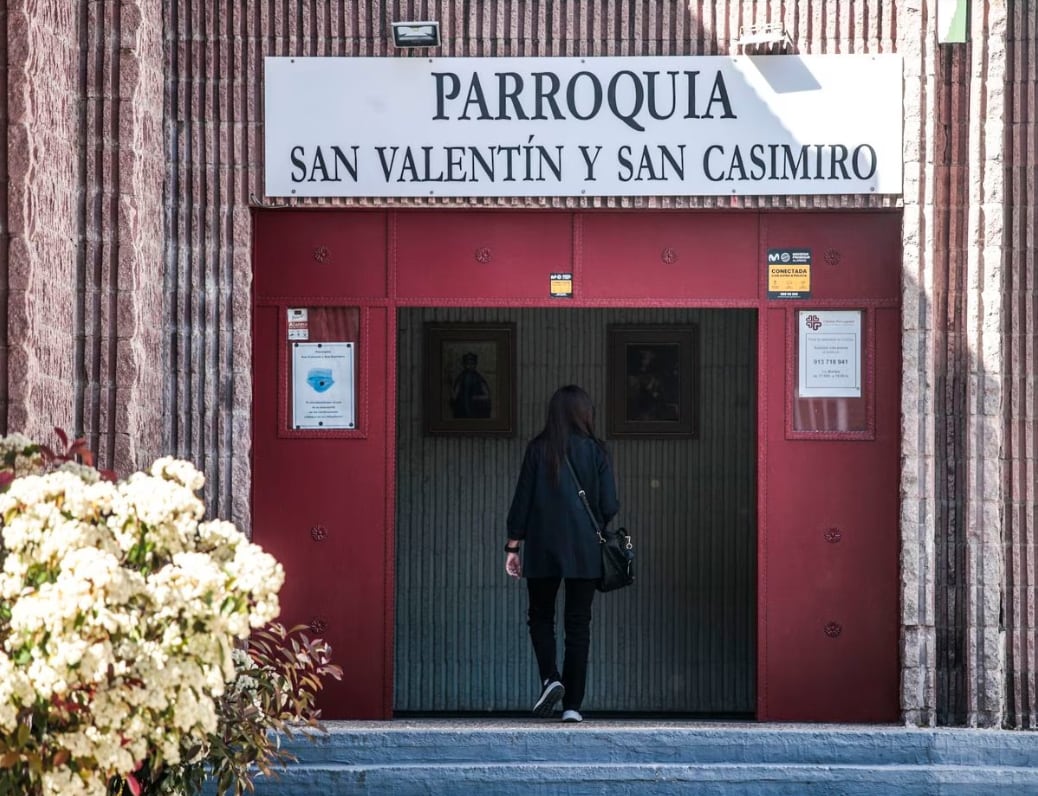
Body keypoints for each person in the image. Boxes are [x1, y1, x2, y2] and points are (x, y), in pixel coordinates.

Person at [504, 385, 620, 723]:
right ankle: (572, 705)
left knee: (540, 616)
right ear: (585, 414)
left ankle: (549, 678)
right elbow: (610, 504)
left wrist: (513, 546)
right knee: (578, 625)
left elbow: (522, 501)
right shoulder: (597, 451)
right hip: (585, 550)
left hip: (542, 548)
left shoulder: (539, 449)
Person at [450, 352, 492, 418]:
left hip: (476, 409)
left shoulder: (479, 378)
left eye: (472, 364)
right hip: (462, 410)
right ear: (464, 364)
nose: (470, 366)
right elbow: (455, 394)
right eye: (467, 363)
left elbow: (487, 395)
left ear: (475, 364)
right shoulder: (461, 378)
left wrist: (477, 398)